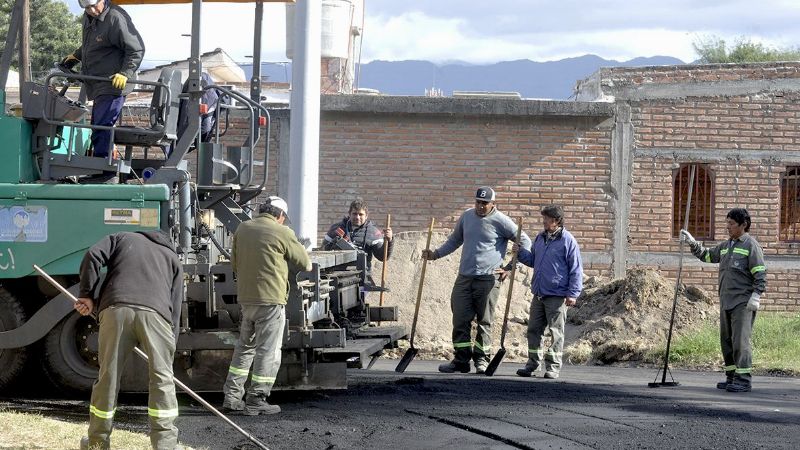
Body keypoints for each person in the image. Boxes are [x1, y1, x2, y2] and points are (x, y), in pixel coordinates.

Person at [75, 230, 184, 450]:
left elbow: (93, 254)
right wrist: (171, 343)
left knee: (108, 377)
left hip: (117, 309)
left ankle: (97, 441)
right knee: (162, 379)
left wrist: (87, 293)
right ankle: (165, 445)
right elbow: (176, 307)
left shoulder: (122, 238)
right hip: (157, 315)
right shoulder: (173, 258)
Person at [422, 186, 531, 374]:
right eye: (478, 202)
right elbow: (455, 240)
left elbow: (525, 241)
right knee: (460, 319)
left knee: (485, 321)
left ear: (493, 204)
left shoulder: (502, 221)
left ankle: (482, 360)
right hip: (465, 278)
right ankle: (461, 360)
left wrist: (511, 267)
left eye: (484, 203)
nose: (480, 206)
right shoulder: (467, 216)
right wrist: (435, 255)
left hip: (488, 279)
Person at [222, 196, 311, 415]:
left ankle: (232, 398)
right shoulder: (283, 232)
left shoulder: (242, 229)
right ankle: (256, 399)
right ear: (280, 215)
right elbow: (306, 264)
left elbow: (234, 263)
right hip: (271, 301)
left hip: (247, 300)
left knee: (244, 348)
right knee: (267, 351)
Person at [681, 208, 766, 393]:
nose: (727, 227)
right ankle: (731, 377)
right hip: (726, 301)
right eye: (727, 223)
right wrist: (692, 242)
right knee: (726, 341)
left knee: (740, 342)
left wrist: (756, 295)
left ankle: (743, 380)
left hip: (743, 303)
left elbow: (760, 273)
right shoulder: (727, 245)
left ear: (743, 225)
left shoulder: (751, 246)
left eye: (731, 224)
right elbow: (708, 256)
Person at [60, 0, 145, 162]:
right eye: (86, 8)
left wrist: (125, 73)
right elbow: (92, 44)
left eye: (93, 5)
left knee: (102, 126)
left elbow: (137, 49)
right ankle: (100, 165)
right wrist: (76, 56)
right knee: (98, 126)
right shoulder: (88, 17)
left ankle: (103, 167)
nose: (91, 10)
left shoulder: (115, 18)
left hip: (113, 85)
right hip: (98, 85)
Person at [513, 205, 583, 379]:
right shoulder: (540, 238)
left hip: (557, 295)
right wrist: (520, 252)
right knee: (534, 329)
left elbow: (575, 269)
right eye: (543, 217)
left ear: (556, 220)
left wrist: (573, 293)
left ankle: (553, 367)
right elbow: (533, 261)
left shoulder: (567, 241)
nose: (543, 220)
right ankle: (532, 364)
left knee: (555, 332)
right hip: (539, 293)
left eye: (546, 218)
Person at [322, 198, 393, 280]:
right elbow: (323, 251)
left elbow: (382, 257)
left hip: (362, 279)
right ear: (349, 214)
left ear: (366, 216)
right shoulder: (336, 229)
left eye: (361, 214)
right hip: (338, 278)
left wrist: (390, 240)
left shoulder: (373, 233)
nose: (357, 217)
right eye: (354, 214)